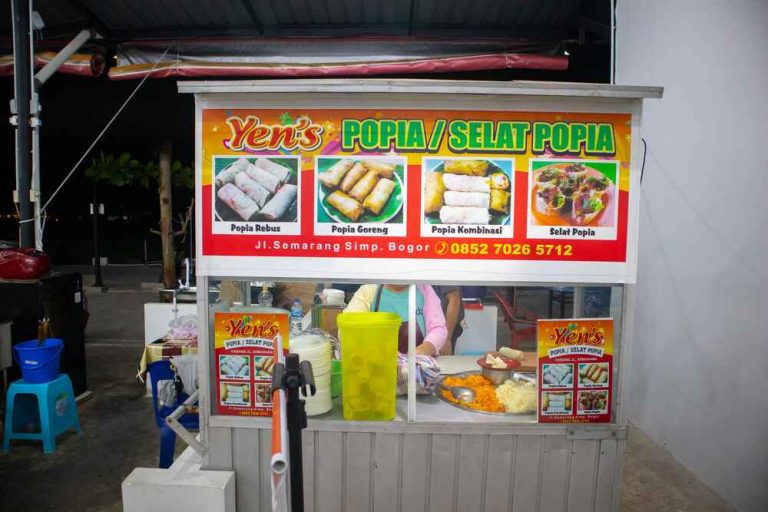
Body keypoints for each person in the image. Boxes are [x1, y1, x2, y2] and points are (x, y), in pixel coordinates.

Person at [344, 284, 447, 356]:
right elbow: (347, 328)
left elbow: (438, 328)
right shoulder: (369, 291)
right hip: (377, 369)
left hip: (417, 370)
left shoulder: (423, 289)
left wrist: (424, 349)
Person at [433, 286, 464, 355]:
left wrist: (446, 339)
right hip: (433, 327)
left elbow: (454, 301)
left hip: (443, 330)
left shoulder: (446, 275)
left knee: (442, 362)